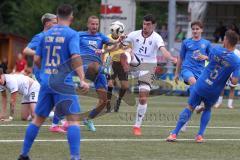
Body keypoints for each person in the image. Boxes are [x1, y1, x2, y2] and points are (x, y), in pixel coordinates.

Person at [17, 4, 89, 160]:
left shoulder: (45, 35)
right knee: (73, 120)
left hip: (46, 81)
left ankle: (24, 154)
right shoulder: (72, 34)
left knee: (37, 120)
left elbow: (36, 59)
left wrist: (43, 71)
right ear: (71, 17)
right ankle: (75, 157)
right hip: (63, 82)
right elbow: (76, 57)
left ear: (57, 17)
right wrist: (82, 79)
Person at [167, 30, 240, 143]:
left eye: (224, 38)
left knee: (190, 107)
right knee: (207, 109)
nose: (223, 40)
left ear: (227, 40)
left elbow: (210, 59)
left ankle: (174, 134)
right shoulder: (236, 61)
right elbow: (234, 81)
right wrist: (231, 80)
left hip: (202, 84)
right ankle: (199, 135)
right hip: (215, 90)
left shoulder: (216, 50)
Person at [123, 14, 177, 136]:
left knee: (143, 98)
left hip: (148, 68)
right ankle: (122, 71)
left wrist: (172, 59)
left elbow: (163, 51)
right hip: (135, 62)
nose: (145, 26)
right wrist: (124, 45)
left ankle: (137, 126)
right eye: (144, 24)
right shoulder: (134, 34)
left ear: (154, 25)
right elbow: (122, 43)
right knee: (126, 52)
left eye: (148, 24)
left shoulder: (157, 38)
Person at [78, 16, 122, 131]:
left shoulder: (101, 36)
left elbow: (114, 44)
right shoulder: (79, 35)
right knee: (94, 65)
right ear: (88, 25)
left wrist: (118, 41)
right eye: (92, 24)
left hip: (98, 69)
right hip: (85, 66)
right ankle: (102, 72)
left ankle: (88, 119)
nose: (94, 26)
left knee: (104, 101)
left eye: (96, 24)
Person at [174, 21, 211, 132]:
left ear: (201, 30)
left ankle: (185, 122)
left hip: (200, 72)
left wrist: (205, 57)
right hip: (187, 70)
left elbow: (212, 58)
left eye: (197, 29)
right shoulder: (186, 42)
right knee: (193, 82)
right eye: (193, 29)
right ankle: (199, 106)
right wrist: (177, 73)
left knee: (192, 100)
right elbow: (180, 58)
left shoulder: (206, 43)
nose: (195, 31)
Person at [104, 21, 131, 112]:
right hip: (111, 62)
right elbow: (105, 50)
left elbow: (129, 49)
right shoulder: (107, 38)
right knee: (110, 83)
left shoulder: (126, 38)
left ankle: (118, 101)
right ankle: (108, 104)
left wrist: (128, 58)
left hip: (121, 63)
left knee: (125, 86)